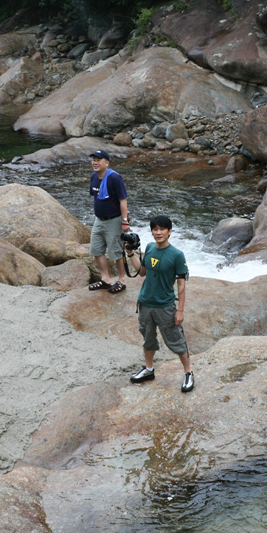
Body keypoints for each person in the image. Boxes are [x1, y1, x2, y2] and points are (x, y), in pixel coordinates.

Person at [125, 215, 194, 393]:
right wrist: (130, 253)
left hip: (165, 305)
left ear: (169, 231)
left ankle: (188, 372)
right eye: (155, 229)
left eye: (162, 229)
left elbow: (181, 284)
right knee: (148, 338)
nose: (158, 232)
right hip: (145, 303)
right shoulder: (149, 248)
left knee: (176, 340)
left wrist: (180, 311)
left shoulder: (177, 255)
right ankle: (149, 369)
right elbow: (141, 272)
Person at [87, 150, 131, 294]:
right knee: (96, 249)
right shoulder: (94, 177)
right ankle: (105, 279)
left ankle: (122, 280)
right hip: (99, 220)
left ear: (107, 163)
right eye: (94, 159)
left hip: (114, 220)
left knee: (116, 252)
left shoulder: (114, 178)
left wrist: (124, 221)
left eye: (99, 160)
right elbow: (96, 197)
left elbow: (123, 200)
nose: (95, 162)